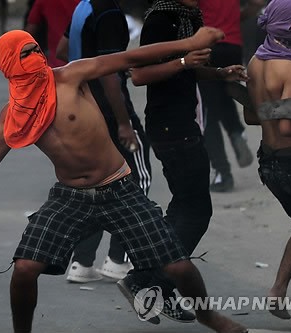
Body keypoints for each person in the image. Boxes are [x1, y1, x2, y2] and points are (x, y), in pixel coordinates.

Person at [0, 28, 249, 333]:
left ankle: (208, 316)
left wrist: (189, 43)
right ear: (9, 66)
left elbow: (129, 58)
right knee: (24, 268)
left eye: (37, 49)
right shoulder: (14, 114)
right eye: (26, 53)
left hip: (119, 189)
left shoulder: (69, 77)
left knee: (178, 266)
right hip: (70, 197)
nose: (36, 56)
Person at [117, 0, 248, 323]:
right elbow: (139, 74)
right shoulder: (161, 19)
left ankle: (150, 281)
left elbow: (187, 69)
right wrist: (184, 60)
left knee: (184, 207)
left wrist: (218, 73)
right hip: (169, 125)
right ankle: (152, 284)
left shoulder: (187, 16)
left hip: (182, 122)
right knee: (196, 210)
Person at [55, 0, 153, 286]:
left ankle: (82, 262)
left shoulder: (83, 7)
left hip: (86, 107)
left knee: (97, 184)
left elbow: (63, 51)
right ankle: (117, 259)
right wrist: (124, 123)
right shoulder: (109, 13)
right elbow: (109, 72)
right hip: (110, 111)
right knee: (136, 182)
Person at [245, 0, 291, 322]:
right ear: (281, 24)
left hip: (269, 164)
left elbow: (253, 116)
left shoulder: (256, 61)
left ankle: (278, 289)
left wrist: (281, 111)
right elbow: (289, 126)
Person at [198, 0, 263, 192]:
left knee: (207, 111)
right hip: (233, 45)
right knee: (225, 96)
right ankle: (236, 131)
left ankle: (222, 173)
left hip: (206, 45)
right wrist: (235, 19)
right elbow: (257, 3)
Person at [24, 0, 78, 68]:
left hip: (55, 64)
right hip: (83, 62)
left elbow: (30, 30)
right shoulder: (86, 2)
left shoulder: (43, 1)